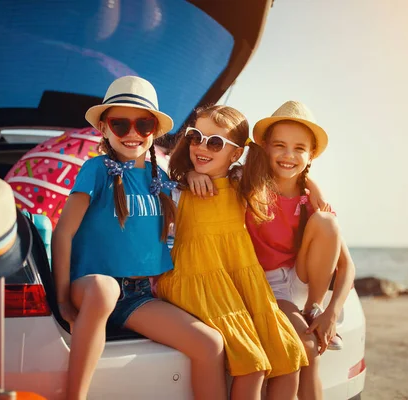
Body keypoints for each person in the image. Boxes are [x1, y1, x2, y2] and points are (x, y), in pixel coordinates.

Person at [51, 76, 227, 400]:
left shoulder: (160, 179)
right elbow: (63, 233)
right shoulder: (97, 169)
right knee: (106, 289)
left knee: (211, 345)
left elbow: (218, 179)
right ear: (104, 128)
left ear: (155, 131)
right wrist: (61, 298)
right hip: (90, 289)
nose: (132, 134)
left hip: (138, 296)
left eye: (143, 124)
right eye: (120, 124)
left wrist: (194, 174)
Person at [189, 100, 355, 400]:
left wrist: (331, 312)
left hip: (300, 285)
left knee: (327, 223)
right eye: (279, 145)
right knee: (307, 349)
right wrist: (193, 175)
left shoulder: (311, 199)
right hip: (262, 285)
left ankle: (312, 311)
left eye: (299, 148)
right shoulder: (246, 181)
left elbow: (347, 266)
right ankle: (306, 327)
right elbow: (215, 171)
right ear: (264, 146)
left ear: (311, 155)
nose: (288, 155)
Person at [157, 105, 309, 400]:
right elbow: (159, 181)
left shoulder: (242, 183)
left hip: (238, 281)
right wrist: (189, 175)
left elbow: (286, 173)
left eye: (215, 143)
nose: (202, 147)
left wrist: (314, 188)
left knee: (289, 356)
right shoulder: (177, 189)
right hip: (196, 279)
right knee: (252, 364)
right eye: (196, 137)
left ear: (236, 153)